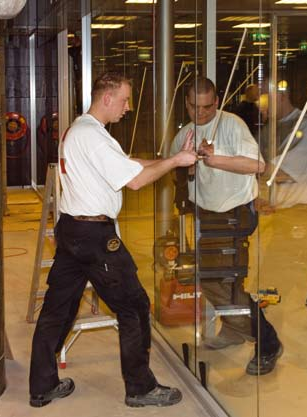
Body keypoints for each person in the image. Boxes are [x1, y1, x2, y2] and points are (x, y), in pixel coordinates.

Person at [29, 72, 198, 408]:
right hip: (94, 238)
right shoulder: (92, 136)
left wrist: (170, 160)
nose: (128, 107)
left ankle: (42, 386)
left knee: (58, 310)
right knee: (134, 308)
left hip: (73, 232)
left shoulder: (82, 130)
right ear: (107, 98)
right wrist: (177, 161)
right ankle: (140, 388)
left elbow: (128, 166)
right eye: (124, 99)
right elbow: (134, 181)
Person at [170, 77, 282, 376]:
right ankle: (234, 329)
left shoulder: (232, 125)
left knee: (228, 286)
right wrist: (190, 165)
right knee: (209, 281)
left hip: (235, 212)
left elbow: (257, 165)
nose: (202, 113)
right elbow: (179, 175)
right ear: (187, 103)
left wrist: (213, 159)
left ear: (216, 101)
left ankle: (268, 343)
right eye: (195, 107)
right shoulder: (185, 134)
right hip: (205, 214)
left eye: (208, 107)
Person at [263, 81, 307, 209]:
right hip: (282, 206)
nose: (262, 106)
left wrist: (244, 166)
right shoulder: (272, 127)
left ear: (282, 97)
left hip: (302, 206)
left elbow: (279, 172)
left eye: (267, 98)